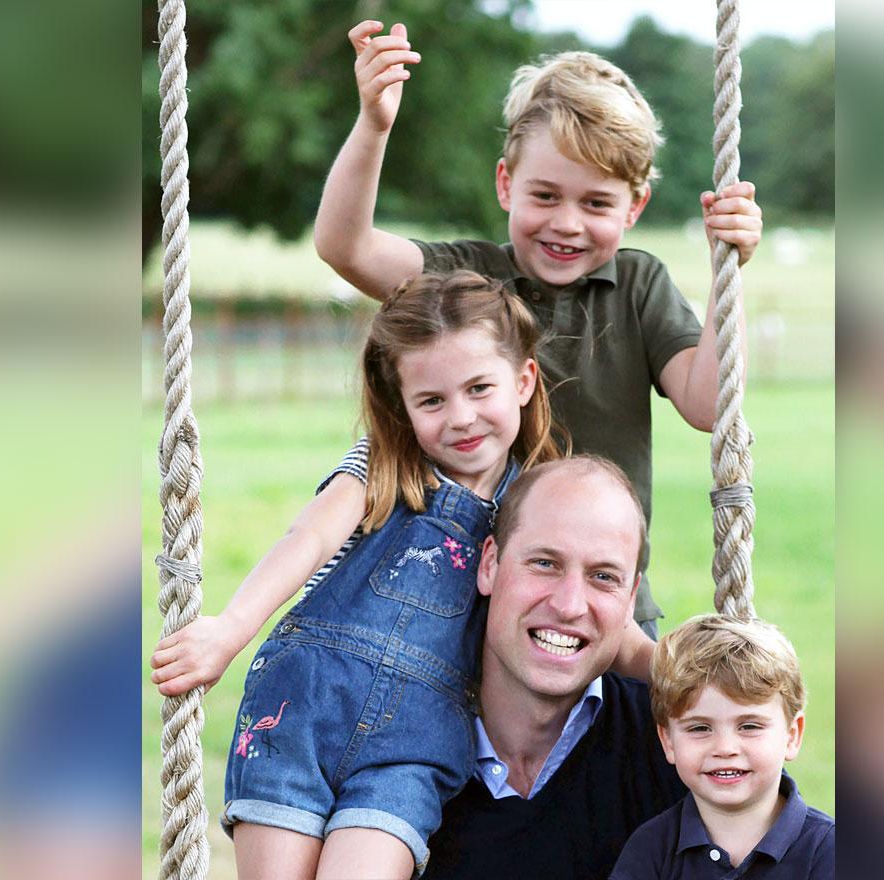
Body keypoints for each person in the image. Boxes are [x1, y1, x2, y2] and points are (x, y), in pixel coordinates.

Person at [149, 271, 652, 879]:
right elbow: (306, 542)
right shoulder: (383, 468)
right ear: (402, 405)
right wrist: (228, 631)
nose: (461, 418)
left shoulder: (537, 503)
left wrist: (692, 666)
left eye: (478, 389)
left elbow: (606, 628)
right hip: (305, 706)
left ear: (523, 381)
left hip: (414, 746)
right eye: (432, 401)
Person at [315, 21, 765, 637]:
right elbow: (346, 246)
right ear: (506, 183)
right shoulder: (468, 279)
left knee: (628, 731)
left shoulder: (638, 286)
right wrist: (374, 125)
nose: (568, 224)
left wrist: (726, 270)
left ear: (634, 208)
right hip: (465, 608)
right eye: (546, 195)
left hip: (606, 607)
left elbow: (709, 404)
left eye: (597, 204)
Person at [422, 456, 688, 880]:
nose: (568, 605)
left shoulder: (682, 748)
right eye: (545, 563)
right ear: (490, 565)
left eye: (603, 577)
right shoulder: (394, 744)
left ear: (631, 598)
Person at [610, 615, 834, 879]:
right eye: (700, 728)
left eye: (749, 726)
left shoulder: (829, 851)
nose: (725, 748)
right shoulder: (651, 849)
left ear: (792, 735)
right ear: (667, 741)